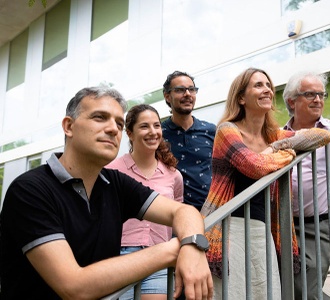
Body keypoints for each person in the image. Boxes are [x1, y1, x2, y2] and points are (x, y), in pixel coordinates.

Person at [0, 86, 213, 300]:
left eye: (119, 124)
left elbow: (184, 211)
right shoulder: (30, 190)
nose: (113, 129)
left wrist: (193, 243)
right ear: (69, 126)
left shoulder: (115, 183)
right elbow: (74, 286)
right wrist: (178, 248)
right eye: (100, 117)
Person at [200, 68, 330, 300]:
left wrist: (275, 147)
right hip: (228, 227)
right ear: (241, 97)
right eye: (258, 85)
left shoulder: (273, 136)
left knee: (263, 291)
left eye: (268, 85)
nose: (267, 90)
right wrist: (286, 154)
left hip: (262, 227)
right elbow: (254, 166)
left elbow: (323, 136)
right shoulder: (228, 130)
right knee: (232, 293)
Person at [282, 71, 330, 300]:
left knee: (307, 290)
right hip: (283, 225)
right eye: (310, 94)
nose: (318, 99)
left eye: (321, 94)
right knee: (287, 288)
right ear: (292, 101)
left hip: (319, 224)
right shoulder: (279, 135)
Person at [106, 104, 184, 300]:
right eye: (144, 126)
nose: (153, 132)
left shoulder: (173, 176)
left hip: (159, 256)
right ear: (130, 133)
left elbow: (178, 217)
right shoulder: (111, 171)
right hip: (120, 258)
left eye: (157, 126)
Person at [162, 70, 216, 212]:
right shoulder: (158, 134)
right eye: (180, 90)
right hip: (174, 214)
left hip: (213, 213)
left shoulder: (211, 130)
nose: (187, 94)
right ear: (167, 96)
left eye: (191, 89)